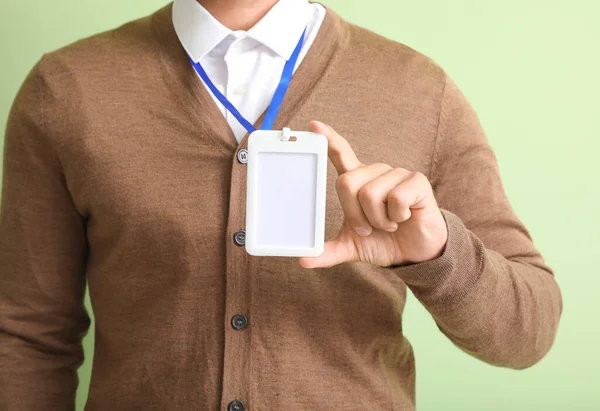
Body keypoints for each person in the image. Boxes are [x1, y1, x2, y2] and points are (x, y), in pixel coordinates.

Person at [0, 0, 563, 410]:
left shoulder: (419, 91)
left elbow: (528, 331)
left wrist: (437, 254)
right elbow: (26, 334)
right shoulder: (68, 88)